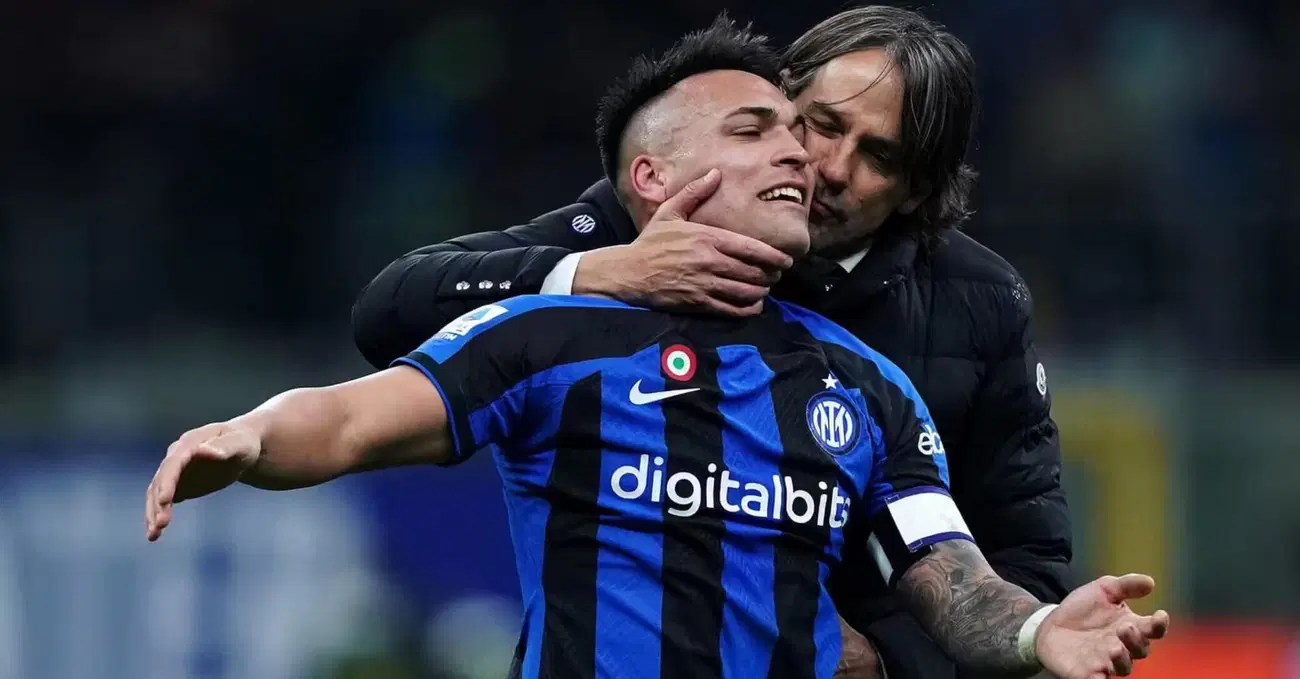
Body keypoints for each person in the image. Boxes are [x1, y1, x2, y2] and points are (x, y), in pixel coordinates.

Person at [148, 17, 1167, 679]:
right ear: (654, 182)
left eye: (877, 157)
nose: (817, 163)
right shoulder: (564, 310)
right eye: (799, 125)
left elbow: (972, 564)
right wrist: (249, 436)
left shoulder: (895, 369)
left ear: (916, 192)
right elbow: (360, 393)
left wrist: (1020, 634)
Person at [350, 7, 1068, 678]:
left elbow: (1029, 566)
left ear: (916, 191)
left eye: (879, 156)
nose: (831, 168)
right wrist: (603, 270)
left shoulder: (980, 302)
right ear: (780, 103)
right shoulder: (652, 218)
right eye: (820, 125)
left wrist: (883, 658)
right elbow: (391, 309)